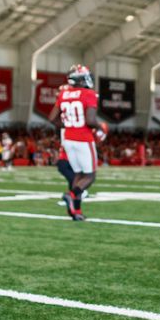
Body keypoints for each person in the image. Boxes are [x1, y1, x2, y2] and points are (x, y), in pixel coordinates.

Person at [48, 65, 107, 221]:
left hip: (68, 138)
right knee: (89, 176)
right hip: (83, 139)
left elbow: (52, 118)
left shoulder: (64, 93)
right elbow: (90, 120)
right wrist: (101, 127)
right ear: (81, 78)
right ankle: (71, 195)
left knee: (78, 175)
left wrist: (68, 125)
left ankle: (76, 211)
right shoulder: (89, 94)